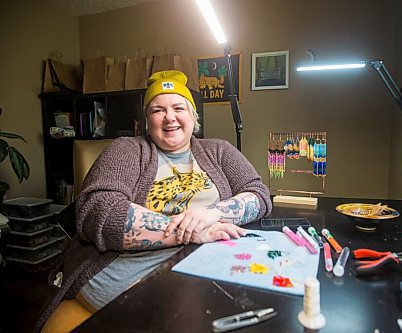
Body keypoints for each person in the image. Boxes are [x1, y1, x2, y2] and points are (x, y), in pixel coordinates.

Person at [37, 70, 272, 332]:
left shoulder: (219, 150)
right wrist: (191, 233)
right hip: (127, 269)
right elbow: (99, 211)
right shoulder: (126, 149)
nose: (169, 117)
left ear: (193, 117)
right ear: (147, 120)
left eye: (178, 107)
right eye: (158, 110)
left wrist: (212, 214)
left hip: (201, 260)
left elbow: (258, 195)